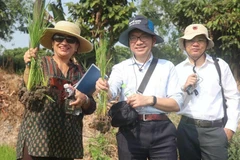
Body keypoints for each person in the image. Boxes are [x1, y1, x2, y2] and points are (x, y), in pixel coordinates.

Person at [95, 15, 183, 160]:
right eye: (133, 38)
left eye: (144, 37)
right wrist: (103, 88)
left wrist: (149, 100)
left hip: (162, 132)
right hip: (130, 131)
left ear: (153, 40)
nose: (139, 42)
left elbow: (176, 104)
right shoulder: (120, 68)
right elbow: (111, 92)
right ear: (129, 43)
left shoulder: (167, 66)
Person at [16, 21, 96, 160]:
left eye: (70, 40)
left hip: (67, 145)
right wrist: (29, 65)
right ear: (52, 43)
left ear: (76, 46)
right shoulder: (40, 64)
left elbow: (91, 106)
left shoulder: (80, 73)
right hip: (38, 140)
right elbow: (25, 91)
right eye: (59, 38)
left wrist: (84, 100)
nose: (64, 43)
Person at [175, 24, 240, 160]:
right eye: (191, 40)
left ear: (206, 43)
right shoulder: (177, 69)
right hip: (186, 129)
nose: (195, 44)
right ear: (184, 44)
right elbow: (174, 102)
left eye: (200, 39)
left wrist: (230, 128)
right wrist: (184, 87)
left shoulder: (219, 65)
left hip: (214, 131)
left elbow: (233, 97)